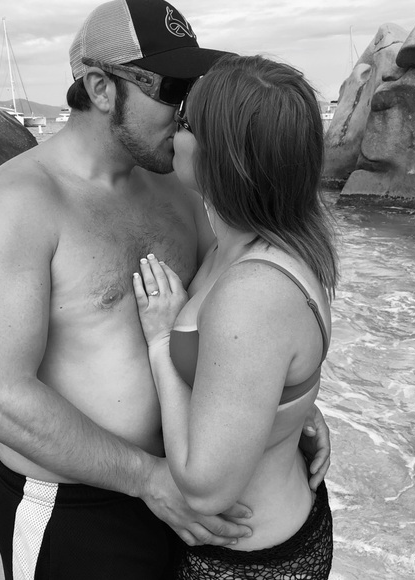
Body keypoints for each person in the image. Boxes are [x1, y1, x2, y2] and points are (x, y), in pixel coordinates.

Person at [0, 1, 332, 578]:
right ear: (101, 88)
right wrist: (145, 478)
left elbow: (244, 313)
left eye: (194, 89)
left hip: (184, 492)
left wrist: (280, 405)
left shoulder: (181, 187)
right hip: (80, 510)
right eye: (173, 89)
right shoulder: (13, 209)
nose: (186, 110)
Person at [132, 54, 338, 579]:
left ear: (217, 155)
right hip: (261, 537)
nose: (173, 129)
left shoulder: (253, 291)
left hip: (251, 560)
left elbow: (206, 490)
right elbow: (264, 369)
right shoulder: (259, 240)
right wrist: (294, 410)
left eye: (184, 121)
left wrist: (160, 342)